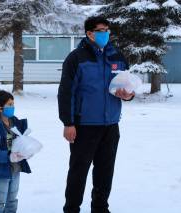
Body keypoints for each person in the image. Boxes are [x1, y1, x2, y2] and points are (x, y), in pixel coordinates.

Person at [58, 16, 135, 213]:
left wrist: (129, 95)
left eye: (108, 30)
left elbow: (127, 85)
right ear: (90, 33)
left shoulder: (116, 56)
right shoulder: (76, 58)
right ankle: (72, 208)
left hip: (110, 125)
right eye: (101, 30)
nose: (106, 34)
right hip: (84, 126)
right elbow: (66, 93)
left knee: (105, 171)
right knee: (78, 171)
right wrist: (68, 122)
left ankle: (100, 208)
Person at [0, 89, 31, 213]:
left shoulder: (15, 122)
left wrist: (26, 149)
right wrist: (9, 156)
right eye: (9, 105)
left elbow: (20, 141)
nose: (13, 107)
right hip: (2, 170)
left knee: (13, 199)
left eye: (13, 104)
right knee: (0, 200)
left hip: (16, 168)